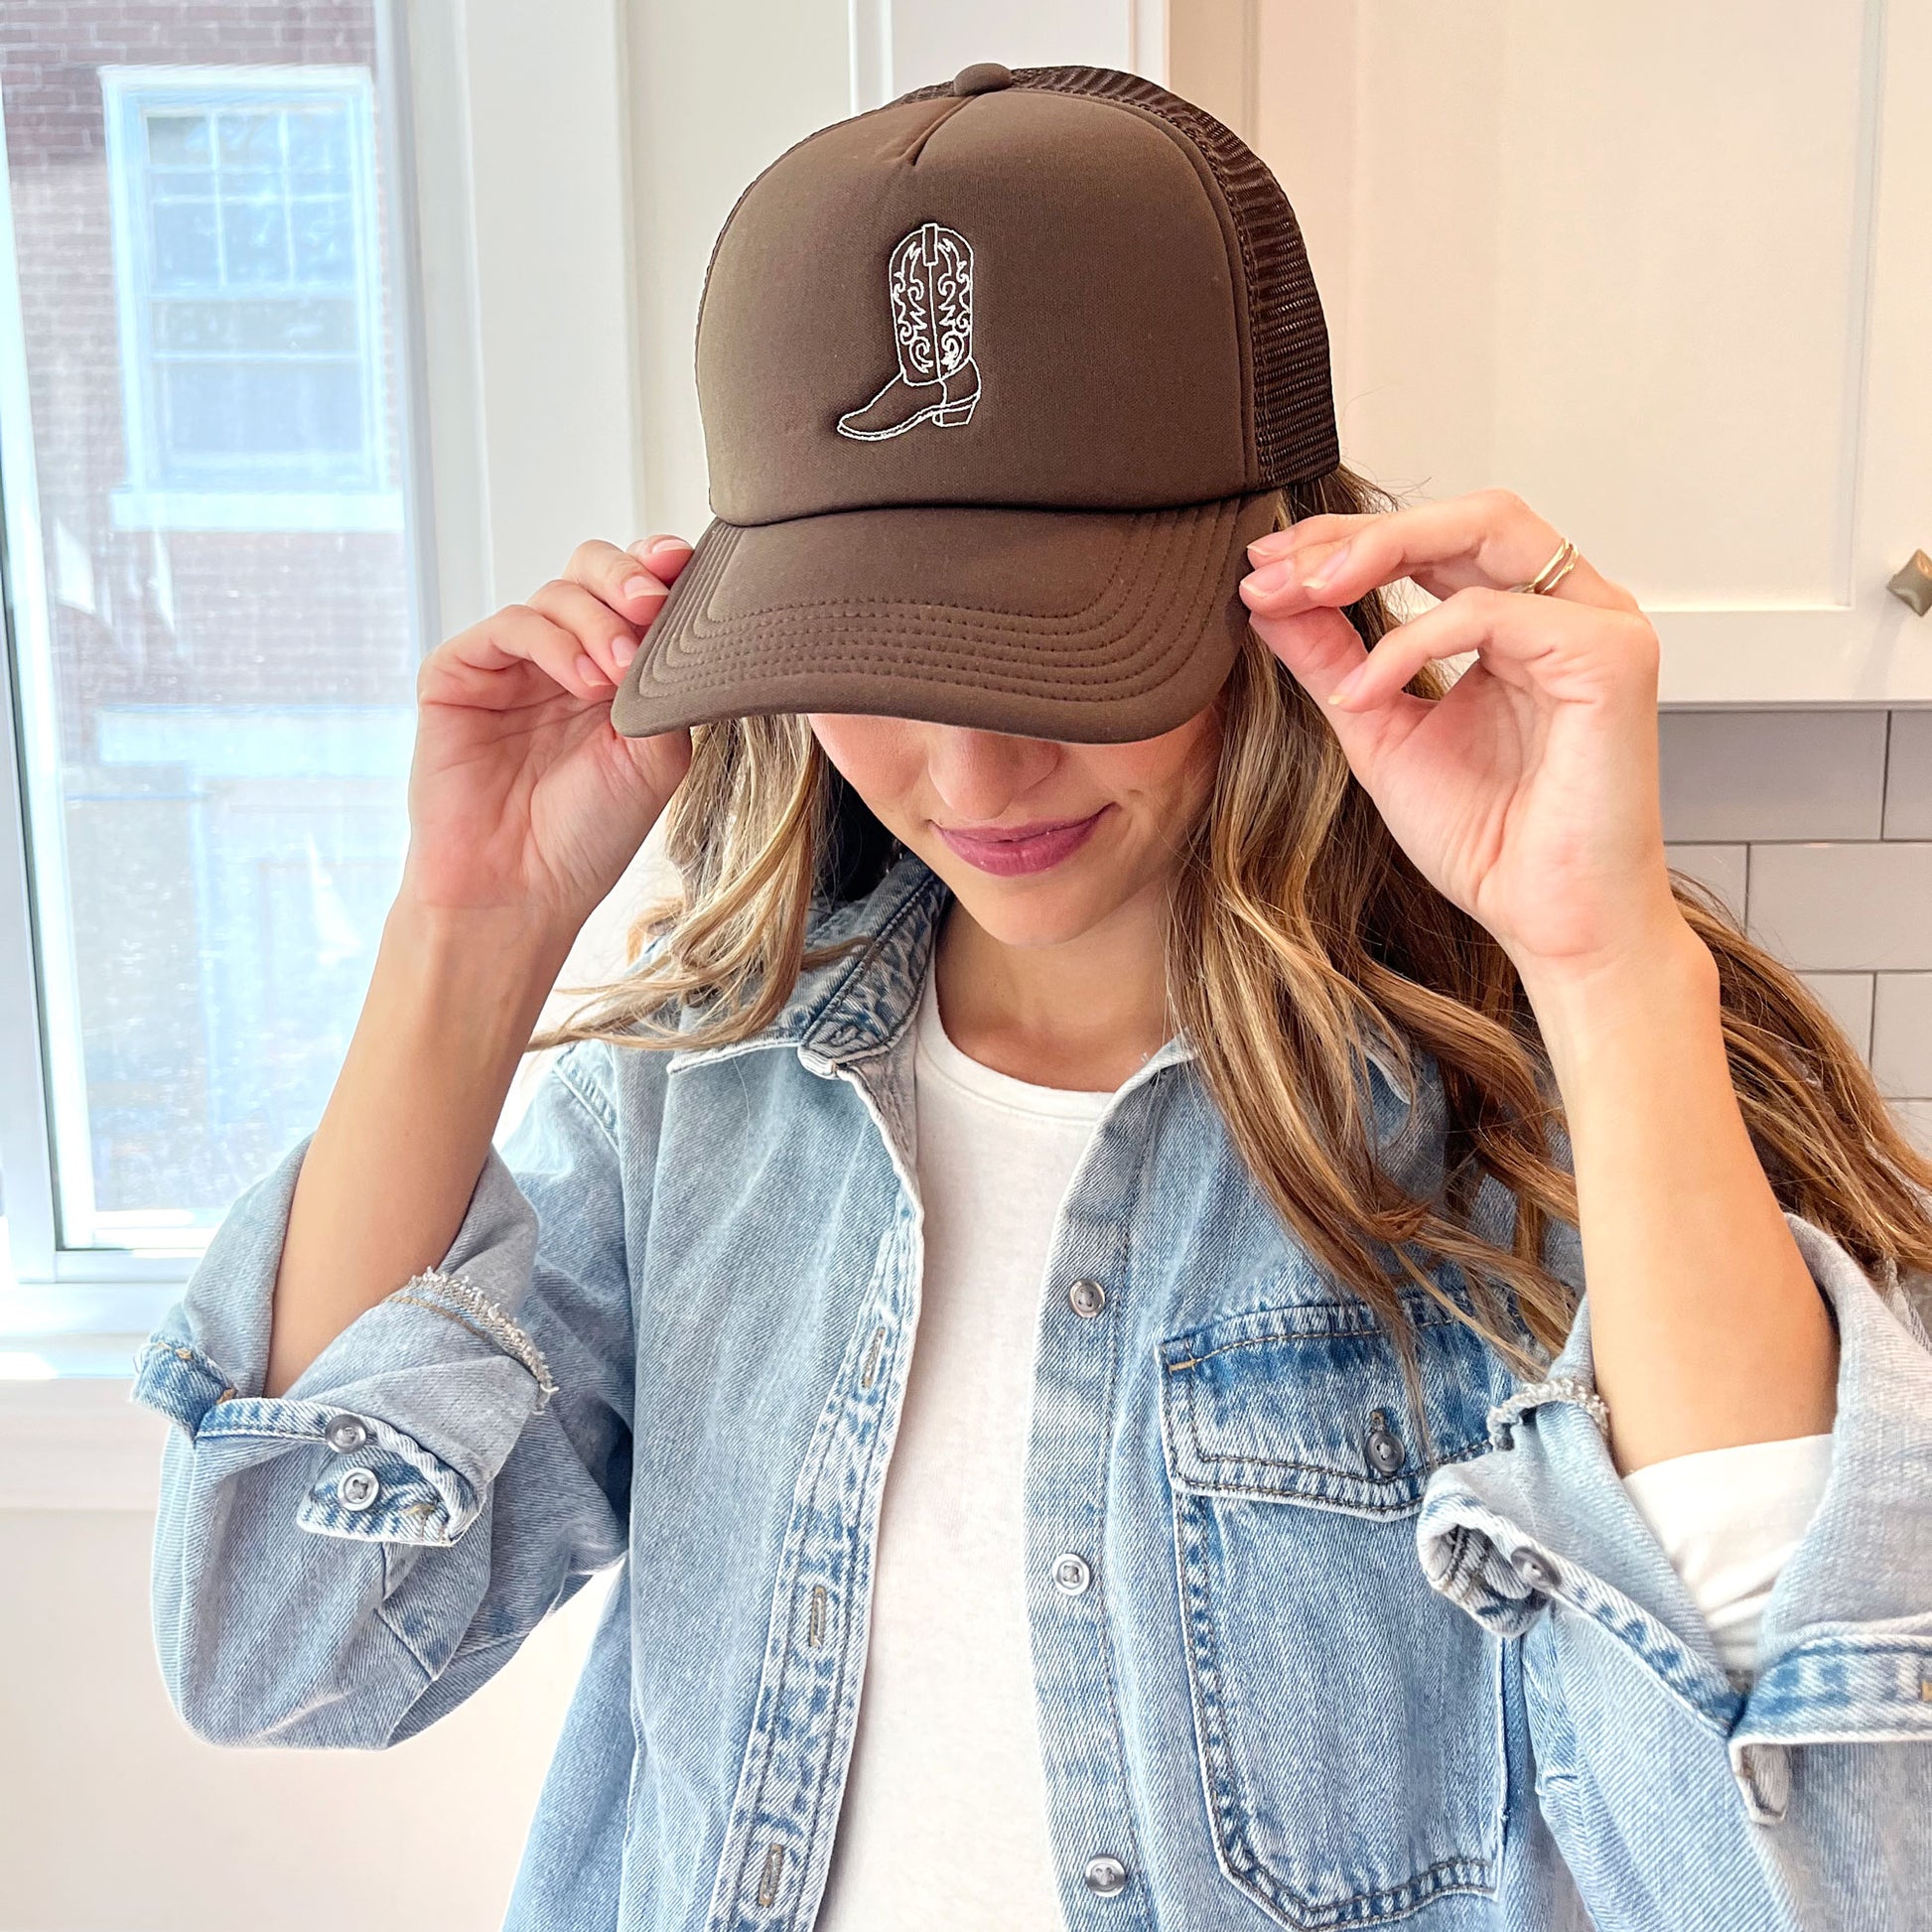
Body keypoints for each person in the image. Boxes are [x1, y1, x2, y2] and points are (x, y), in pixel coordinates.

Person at [135, 63, 1932, 1932]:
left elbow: (1823, 1880)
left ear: (1284, 571)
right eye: (879, 657)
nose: (971, 783)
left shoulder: (1550, 1118)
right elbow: (288, 1647)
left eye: (1063, 652)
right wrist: (470, 929)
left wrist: (1601, 958)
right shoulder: (693, 1122)